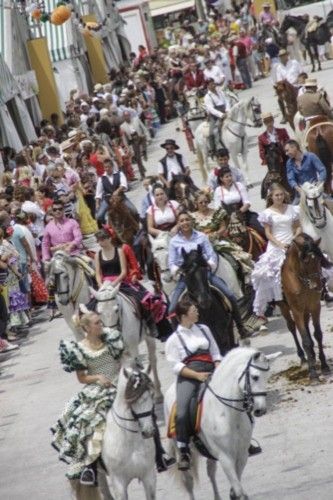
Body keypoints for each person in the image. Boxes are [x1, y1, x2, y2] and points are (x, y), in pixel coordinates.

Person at [51, 311, 175, 485]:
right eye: (96, 323)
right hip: (98, 389)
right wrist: (97, 378)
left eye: (100, 321)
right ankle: (90, 467)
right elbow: (81, 378)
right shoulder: (79, 348)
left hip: (120, 384)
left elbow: (125, 359)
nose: (101, 325)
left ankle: (160, 454)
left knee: (145, 408)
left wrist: (129, 369)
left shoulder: (111, 338)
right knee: (90, 421)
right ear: (86, 327)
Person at [168, 211, 251, 338]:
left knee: (229, 295)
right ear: (178, 224)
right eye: (182, 221)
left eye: (187, 219)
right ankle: (179, 338)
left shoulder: (201, 236)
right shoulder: (174, 241)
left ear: (191, 221)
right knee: (172, 308)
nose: (185, 222)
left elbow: (210, 254)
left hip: (204, 274)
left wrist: (209, 263)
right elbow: (172, 261)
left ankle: (241, 327)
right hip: (186, 277)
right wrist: (176, 269)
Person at [165, 299, 222, 470]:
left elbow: (215, 351)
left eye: (196, 309)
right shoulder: (173, 340)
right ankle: (183, 450)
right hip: (190, 375)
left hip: (212, 369)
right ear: (183, 316)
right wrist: (197, 375)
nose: (197, 312)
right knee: (182, 411)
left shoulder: (204, 329)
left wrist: (218, 365)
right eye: (193, 310)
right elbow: (175, 365)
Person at [251, 184, 301, 316]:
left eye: (281, 194)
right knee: (269, 272)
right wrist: (279, 244)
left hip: (292, 241)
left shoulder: (293, 209)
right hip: (276, 244)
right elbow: (268, 233)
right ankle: (272, 302)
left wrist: (293, 239)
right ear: (271, 197)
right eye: (276, 195)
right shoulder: (267, 213)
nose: (279, 197)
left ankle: (321, 289)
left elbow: (298, 228)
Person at [213, 166, 265, 238]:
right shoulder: (218, 190)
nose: (229, 178)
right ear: (221, 179)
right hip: (228, 219)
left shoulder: (239, 185)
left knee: (261, 229)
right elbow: (218, 208)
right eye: (226, 177)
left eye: (230, 175)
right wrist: (228, 218)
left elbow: (247, 203)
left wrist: (237, 213)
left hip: (244, 214)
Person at [95, 158, 130, 226]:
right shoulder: (101, 178)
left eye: (108, 167)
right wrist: (97, 203)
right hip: (108, 200)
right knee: (99, 216)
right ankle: (106, 229)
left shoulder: (119, 174)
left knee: (134, 210)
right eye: (105, 167)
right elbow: (98, 193)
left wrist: (118, 190)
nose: (107, 168)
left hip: (120, 198)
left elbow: (124, 184)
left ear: (112, 166)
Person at [203, 79, 230, 156]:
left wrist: (227, 110)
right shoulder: (207, 97)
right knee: (211, 133)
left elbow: (227, 101)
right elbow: (211, 109)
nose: (213, 85)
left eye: (214, 84)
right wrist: (221, 115)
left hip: (225, 112)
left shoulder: (220, 92)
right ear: (208, 86)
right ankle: (213, 150)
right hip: (215, 117)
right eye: (211, 84)